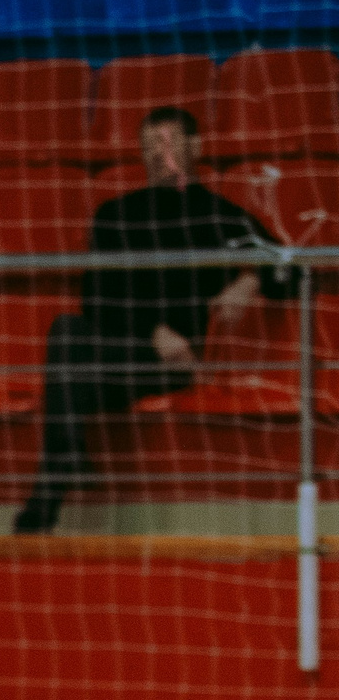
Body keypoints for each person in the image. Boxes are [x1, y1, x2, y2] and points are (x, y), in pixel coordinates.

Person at [15, 105, 287, 534]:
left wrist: (250, 278)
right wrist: (155, 332)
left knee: (70, 369)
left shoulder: (222, 215)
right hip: (128, 352)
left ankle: (55, 477)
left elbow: (295, 270)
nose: (159, 154)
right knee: (68, 332)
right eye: (149, 146)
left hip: (181, 364)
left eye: (169, 142)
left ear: (196, 147)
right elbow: (96, 299)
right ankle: (62, 461)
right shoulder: (115, 215)